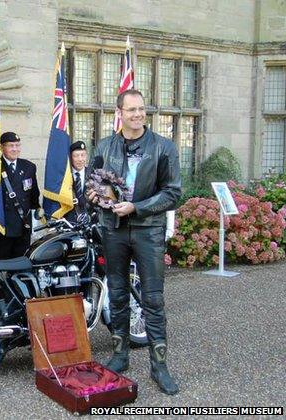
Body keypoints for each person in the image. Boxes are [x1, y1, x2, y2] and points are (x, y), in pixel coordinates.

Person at [87, 89, 182, 395]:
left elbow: (172, 192)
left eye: (141, 109)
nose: (138, 114)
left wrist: (137, 207)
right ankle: (120, 355)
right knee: (117, 294)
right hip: (113, 228)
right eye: (131, 110)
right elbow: (92, 185)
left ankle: (160, 365)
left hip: (148, 229)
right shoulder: (105, 146)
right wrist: (97, 198)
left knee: (152, 299)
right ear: (120, 113)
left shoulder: (164, 147)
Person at [0, 131, 43, 259]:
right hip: (3, 225)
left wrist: (35, 220)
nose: (15, 149)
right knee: (3, 264)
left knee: (22, 261)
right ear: (2, 147)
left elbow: (34, 196)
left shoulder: (28, 167)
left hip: (23, 225)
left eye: (17, 145)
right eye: (11, 145)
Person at [64, 140, 92, 223]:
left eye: (83, 155)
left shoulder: (93, 174)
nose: (80, 159)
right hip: (69, 222)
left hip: (89, 222)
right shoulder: (65, 176)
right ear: (70, 157)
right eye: (76, 156)